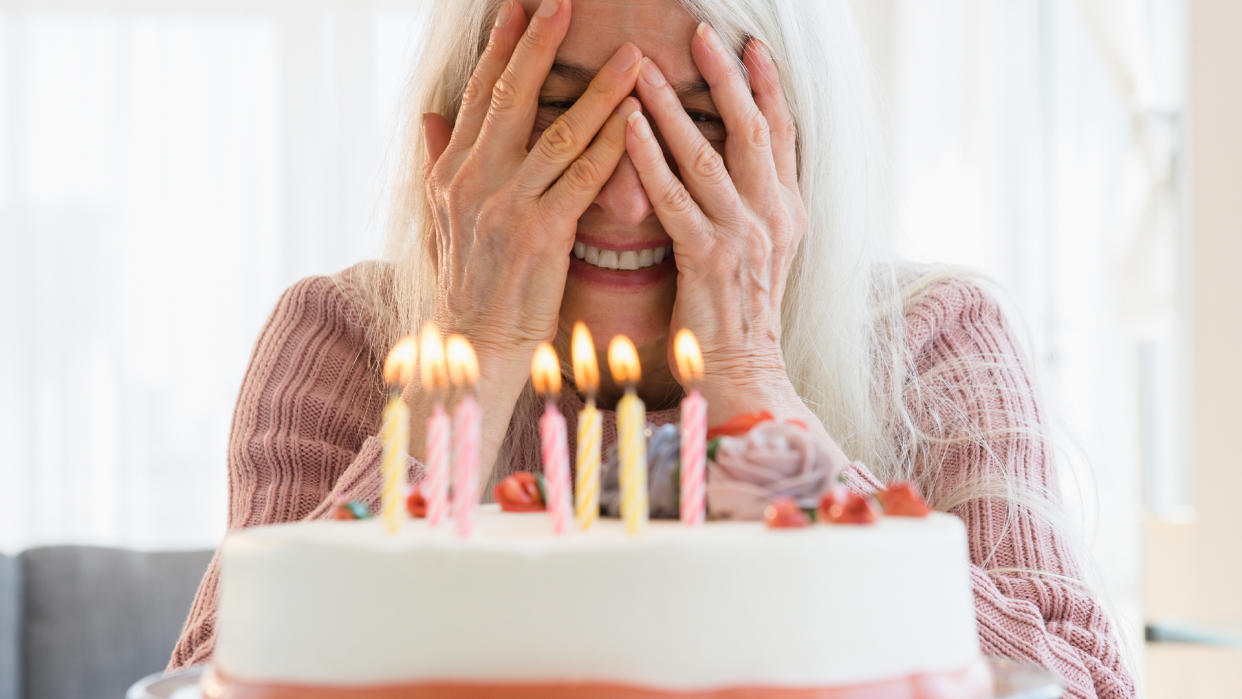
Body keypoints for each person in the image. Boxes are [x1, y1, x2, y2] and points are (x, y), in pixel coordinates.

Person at [169, 0, 1136, 696]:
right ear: (458, 140)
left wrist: (757, 392)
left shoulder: (935, 341)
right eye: (561, 117)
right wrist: (480, 345)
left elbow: (1081, 686)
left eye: (699, 123)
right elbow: (222, 678)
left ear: (798, 145)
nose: (630, 196)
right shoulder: (346, 339)